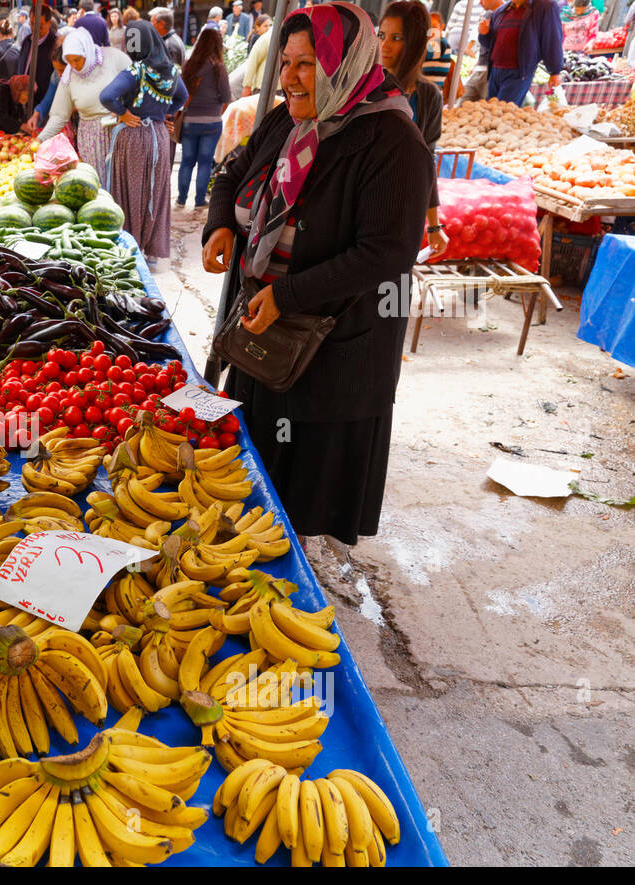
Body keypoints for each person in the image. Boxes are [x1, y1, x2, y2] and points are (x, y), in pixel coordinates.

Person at [201, 2, 432, 547]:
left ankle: (288, 570)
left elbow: (386, 254)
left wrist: (289, 293)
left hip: (332, 345)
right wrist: (220, 224)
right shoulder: (290, 120)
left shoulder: (393, 145)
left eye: (307, 64)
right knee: (258, 468)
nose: (289, 77)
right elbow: (233, 169)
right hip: (266, 332)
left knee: (302, 484)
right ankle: (256, 545)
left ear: (345, 63)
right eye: (285, 62)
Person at [99, 20, 187, 264]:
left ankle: (130, 246)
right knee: (154, 192)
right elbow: (183, 97)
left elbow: (106, 96)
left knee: (130, 191)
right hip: (159, 136)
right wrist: (164, 114)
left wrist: (123, 112)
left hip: (134, 136)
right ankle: (151, 253)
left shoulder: (135, 71)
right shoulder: (172, 71)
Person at [379, 1, 446, 257]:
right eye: (382, 35)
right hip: (359, 208)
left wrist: (433, 224)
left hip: (403, 213)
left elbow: (426, 161)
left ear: (415, 43)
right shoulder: (363, 87)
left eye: (396, 38)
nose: (385, 45)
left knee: (393, 291)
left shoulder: (428, 96)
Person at [38, 27, 131, 171]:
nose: (74, 65)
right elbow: (59, 115)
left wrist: (126, 110)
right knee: (96, 183)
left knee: (119, 181)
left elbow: (137, 86)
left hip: (120, 132)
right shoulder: (69, 76)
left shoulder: (114, 58)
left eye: (77, 59)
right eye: (69, 61)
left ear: (87, 51)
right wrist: (40, 139)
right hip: (91, 141)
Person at [175, 25, 229, 206]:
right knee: (205, 163)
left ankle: (181, 199)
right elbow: (227, 97)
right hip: (211, 122)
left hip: (190, 121)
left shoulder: (189, 66)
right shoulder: (218, 68)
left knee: (187, 162)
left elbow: (181, 94)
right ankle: (199, 201)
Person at [479, 0, 563, 104]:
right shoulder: (501, 11)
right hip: (495, 71)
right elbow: (490, 44)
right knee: (490, 110)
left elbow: (552, 37)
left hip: (518, 73)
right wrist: (484, 33)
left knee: (504, 112)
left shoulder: (545, 6)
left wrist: (555, 71)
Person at [421, 10, 453, 92]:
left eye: (434, 27)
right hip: (425, 88)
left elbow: (426, 54)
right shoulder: (430, 44)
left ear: (442, 28)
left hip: (432, 90)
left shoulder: (442, 43)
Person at [241, 13, 273, 93]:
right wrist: (247, 85)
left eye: (270, 25)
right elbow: (253, 61)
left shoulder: (265, 37)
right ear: (257, 27)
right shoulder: (258, 38)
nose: (268, 28)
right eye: (265, 26)